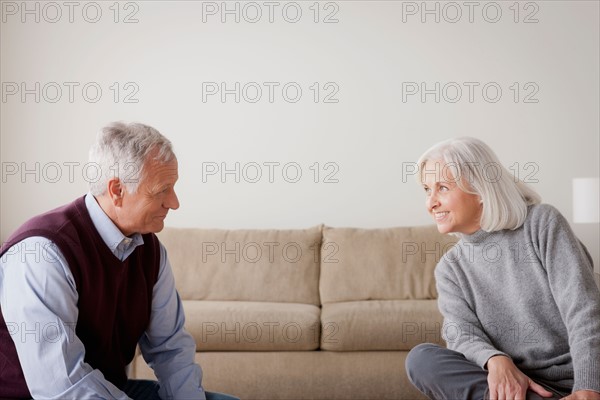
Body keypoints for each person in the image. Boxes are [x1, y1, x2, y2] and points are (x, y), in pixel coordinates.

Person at [0, 122, 239, 400]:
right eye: (162, 190)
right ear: (117, 190)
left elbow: (171, 348)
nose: (174, 203)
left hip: (109, 390)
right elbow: (62, 386)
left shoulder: (151, 251)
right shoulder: (43, 253)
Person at [405, 137, 600, 400]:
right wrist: (495, 360)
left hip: (580, 382)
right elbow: (461, 333)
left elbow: (583, 307)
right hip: (519, 388)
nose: (431, 203)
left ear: (480, 189)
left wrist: (588, 388)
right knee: (422, 359)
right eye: (427, 190)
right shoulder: (450, 268)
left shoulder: (541, 224)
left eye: (442, 188)